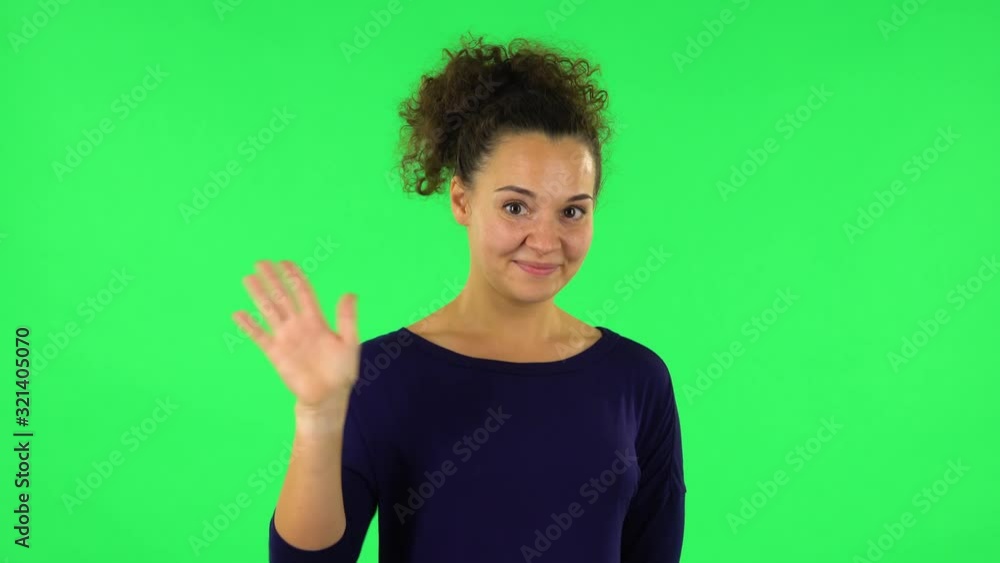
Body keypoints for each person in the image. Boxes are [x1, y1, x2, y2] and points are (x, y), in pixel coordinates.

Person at [232, 33, 686, 563]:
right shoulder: (379, 374)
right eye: (516, 207)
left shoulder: (637, 380)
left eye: (573, 211)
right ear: (462, 199)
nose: (545, 240)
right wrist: (319, 414)